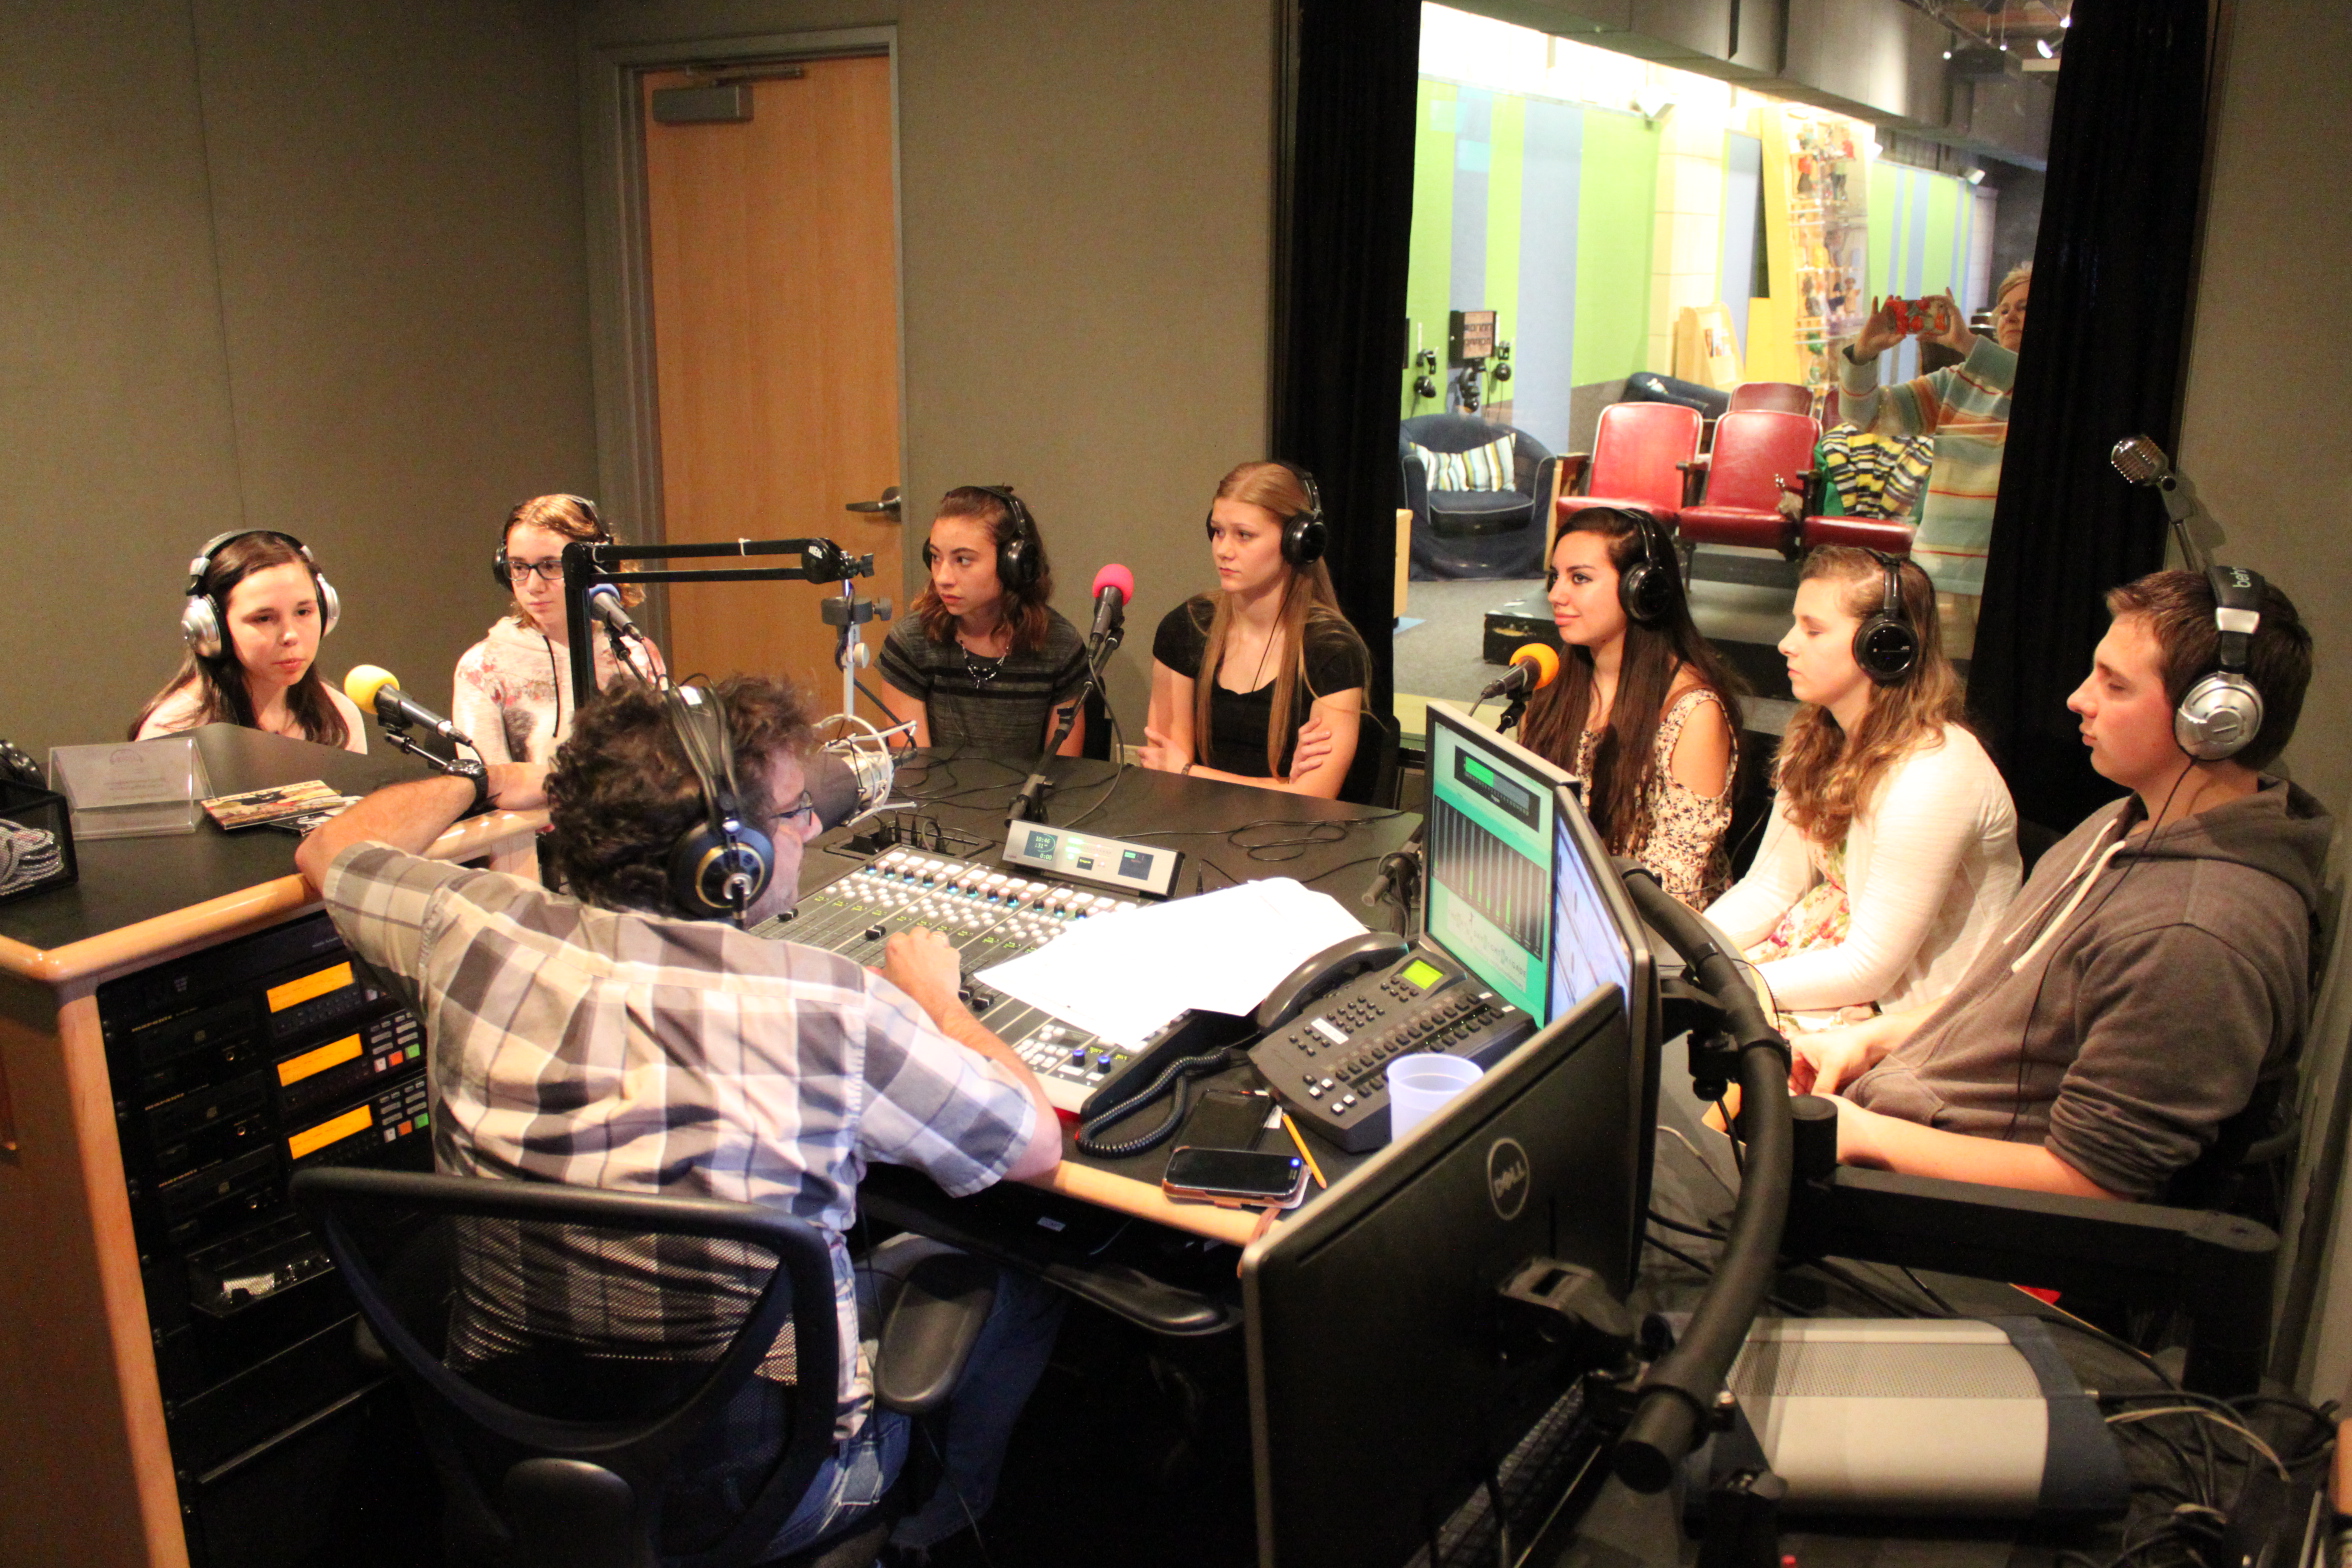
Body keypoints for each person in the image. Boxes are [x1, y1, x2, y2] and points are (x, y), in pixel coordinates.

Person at [291, 676, 1065, 1557]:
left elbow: (331, 850)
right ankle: (929, 1525)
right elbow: (1034, 1147)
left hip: (509, 1456)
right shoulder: (837, 1011)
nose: (809, 826)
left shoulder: (462, 929)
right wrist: (939, 1003)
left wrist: (482, 781)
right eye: (791, 811)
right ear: (724, 860)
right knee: (1019, 1282)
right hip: (765, 1494)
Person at [1790, 567, 2328, 1202]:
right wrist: (1871, 1037)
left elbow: (2093, 1184)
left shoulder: (2195, 934)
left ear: (2214, 723)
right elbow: (2021, 1004)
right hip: (1894, 1118)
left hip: (1939, 1218)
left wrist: (1858, 1134)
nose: (2078, 698)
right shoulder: (2129, 822)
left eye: (2115, 685)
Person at [1706, 547, 2020, 1020]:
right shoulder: (1819, 734)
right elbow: (1770, 887)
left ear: (1883, 645)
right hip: (1818, 968)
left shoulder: (1934, 772)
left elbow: (1869, 967)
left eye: (1813, 630)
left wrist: (1721, 984)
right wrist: (1688, 955)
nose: (1786, 644)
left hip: (1904, 1012)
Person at [1515, 507, 1741, 907]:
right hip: (1557, 903)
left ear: (1642, 591)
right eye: (1556, 576)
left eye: (1579, 578)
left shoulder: (1693, 712)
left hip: (1649, 933)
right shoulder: (1554, 685)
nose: (1555, 595)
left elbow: (1674, 884)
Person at [1142, 461, 1370, 798]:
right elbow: (1166, 777)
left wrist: (1191, 771)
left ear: (1297, 541)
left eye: (1243, 535)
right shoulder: (1187, 627)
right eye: (1218, 531)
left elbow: (1315, 798)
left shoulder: (1332, 649)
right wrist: (1284, 786)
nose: (1223, 549)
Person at [1836, 263, 2032, 658]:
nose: (2010, 315)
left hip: (2015, 578)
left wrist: (1966, 342)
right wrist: (1862, 354)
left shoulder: (2065, 384)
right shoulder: (1957, 381)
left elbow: (2029, 383)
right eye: (2005, 309)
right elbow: (1868, 414)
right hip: (1941, 575)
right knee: (1943, 704)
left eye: (2025, 307)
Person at [875, 486, 1090, 757]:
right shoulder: (910, 643)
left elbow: (1062, 772)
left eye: (962, 560)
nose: (942, 577)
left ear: (1013, 564)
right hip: (937, 796)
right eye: (935, 556)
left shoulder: (1059, 645)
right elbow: (916, 773)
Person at [452, 494, 660, 765]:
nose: (533, 585)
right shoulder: (482, 667)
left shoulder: (635, 654)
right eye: (518, 567)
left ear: (595, 569)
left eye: (550, 566)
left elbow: (659, 766)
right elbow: (490, 783)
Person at [132, 530, 366, 751]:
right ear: (213, 629)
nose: (290, 636)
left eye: (303, 612)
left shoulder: (339, 718)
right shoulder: (172, 732)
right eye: (264, 618)